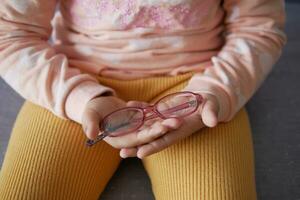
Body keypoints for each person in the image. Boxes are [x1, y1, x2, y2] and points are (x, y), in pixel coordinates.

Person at [0, 0, 286, 199]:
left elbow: (258, 27)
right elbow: (10, 34)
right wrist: (78, 98)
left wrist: (215, 92)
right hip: (74, 83)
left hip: (197, 88)